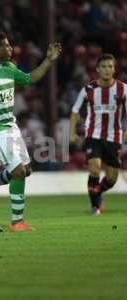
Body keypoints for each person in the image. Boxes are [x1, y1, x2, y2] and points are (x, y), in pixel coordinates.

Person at [0, 31, 61, 231]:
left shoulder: (9, 68)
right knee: (18, 171)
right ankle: (17, 222)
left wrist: (48, 61)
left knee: (26, 171)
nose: (10, 48)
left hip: (10, 126)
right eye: (6, 45)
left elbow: (31, 78)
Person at [70, 53, 127, 215]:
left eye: (110, 66)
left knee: (111, 178)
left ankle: (98, 192)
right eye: (104, 66)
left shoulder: (123, 89)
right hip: (93, 134)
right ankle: (95, 206)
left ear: (114, 69)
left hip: (114, 137)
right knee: (94, 168)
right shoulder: (88, 89)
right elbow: (75, 112)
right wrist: (72, 132)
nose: (107, 69)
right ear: (97, 69)